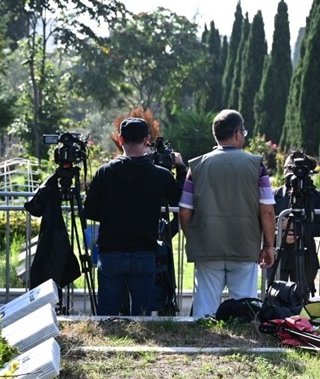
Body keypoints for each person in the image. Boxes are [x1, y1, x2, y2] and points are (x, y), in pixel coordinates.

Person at [83, 117, 185, 316]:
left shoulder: (104, 173)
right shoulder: (160, 175)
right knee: (141, 318)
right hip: (144, 251)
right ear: (147, 139)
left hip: (111, 250)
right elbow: (179, 199)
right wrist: (180, 168)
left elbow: (90, 211)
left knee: (107, 316)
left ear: (121, 140)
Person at [179, 109, 276, 318]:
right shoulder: (256, 165)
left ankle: (204, 343)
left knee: (205, 309)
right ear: (238, 133)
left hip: (207, 245)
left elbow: (185, 212)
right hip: (245, 244)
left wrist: (194, 238)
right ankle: (242, 345)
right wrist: (269, 245)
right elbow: (267, 210)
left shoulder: (195, 166)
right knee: (244, 308)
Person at [271, 151, 320, 296]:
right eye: (287, 168)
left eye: (293, 168)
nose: (289, 172)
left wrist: (296, 227)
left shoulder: (317, 197)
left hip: (305, 253)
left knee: (300, 300)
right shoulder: (274, 195)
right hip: (279, 254)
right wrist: (280, 235)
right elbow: (265, 226)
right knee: (274, 297)